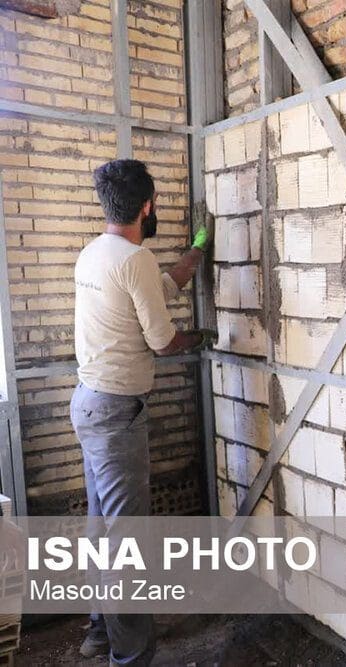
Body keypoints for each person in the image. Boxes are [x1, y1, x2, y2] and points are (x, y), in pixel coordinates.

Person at [72, 159, 214, 665]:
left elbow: (159, 286)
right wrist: (200, 337)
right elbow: (162, 339)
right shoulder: (135, 260)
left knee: (100, 526)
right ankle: (129, 657)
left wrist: (195, 254)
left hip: (88, 406)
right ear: (148, 206)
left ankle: (98, 631)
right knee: (126, 542)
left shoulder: (95, 254)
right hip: (116, 415)